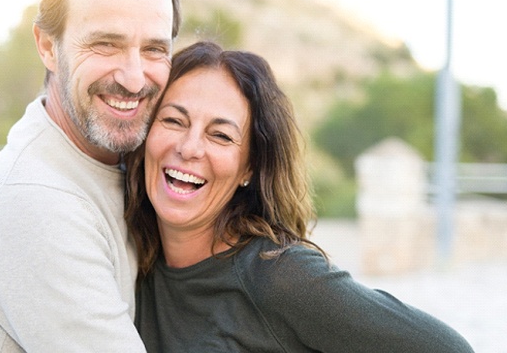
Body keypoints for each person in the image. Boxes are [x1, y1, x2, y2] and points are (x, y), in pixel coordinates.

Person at [125, 41, 475, 352]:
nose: (188, 148)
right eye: (173, 120)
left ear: (250, 168)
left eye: (220, 135)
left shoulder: (280, 276)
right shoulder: (127, 255)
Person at [0, 0, 181, 351]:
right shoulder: (30, 199)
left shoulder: (130, 168)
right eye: (107, 44)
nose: (135, 77)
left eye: (155, 49)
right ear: (48, 46)